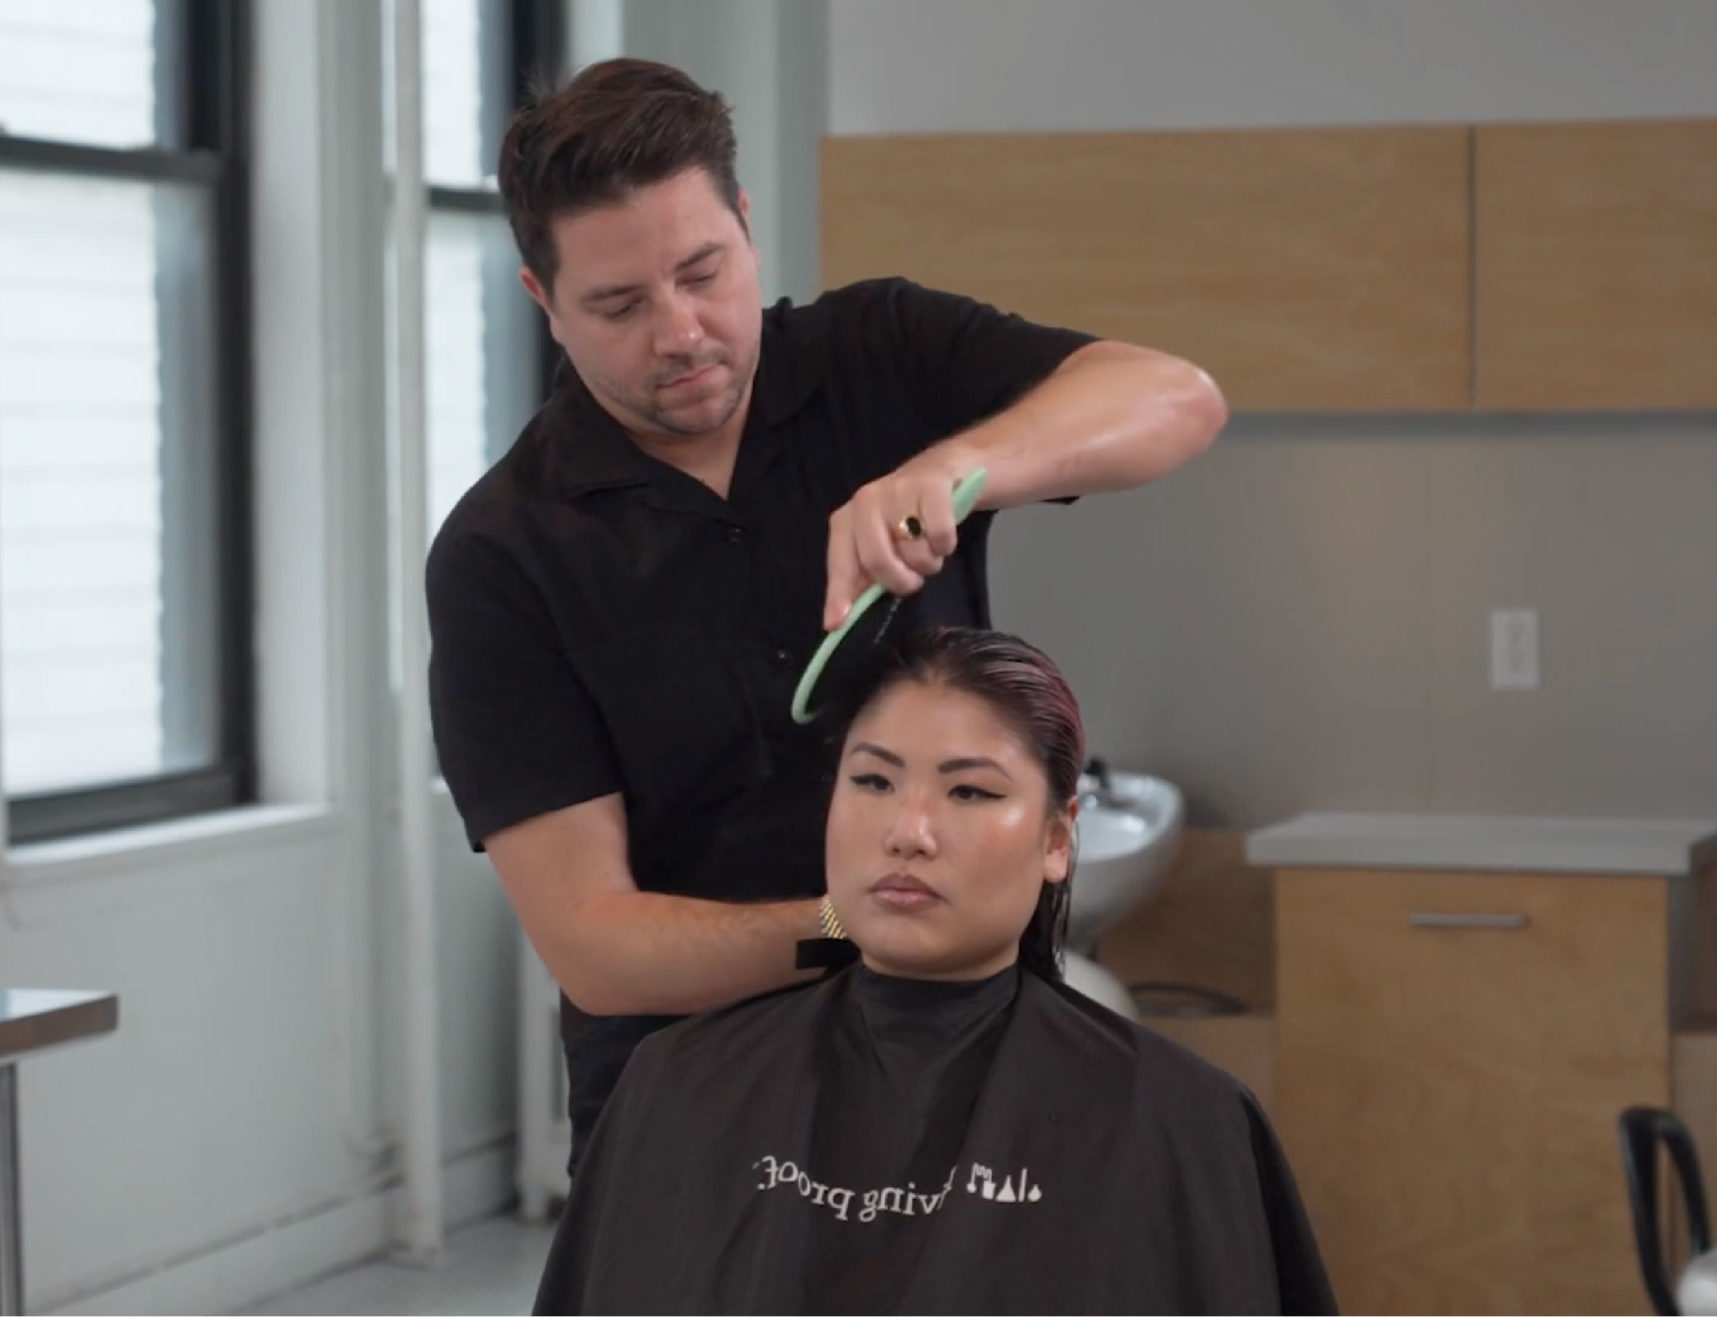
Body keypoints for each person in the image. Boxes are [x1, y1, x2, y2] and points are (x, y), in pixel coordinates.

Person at [425, 57, 1228, 1169]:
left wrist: (961, 464)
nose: (681, 333)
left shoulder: (880, 358)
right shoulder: (501, 555)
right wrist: (866, 926)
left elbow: (1177, 398)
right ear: (540, 301)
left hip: (963, 1076)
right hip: (693, 1104)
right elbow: (597, 947)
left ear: (746, 226)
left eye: (703, 272)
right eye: (617, 304)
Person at [532, 627, 1336, 1315]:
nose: (908, 830)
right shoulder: (677, 1085)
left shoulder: (1183, 1120)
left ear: (1058, 839)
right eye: (874, 780)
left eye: (971, 791)